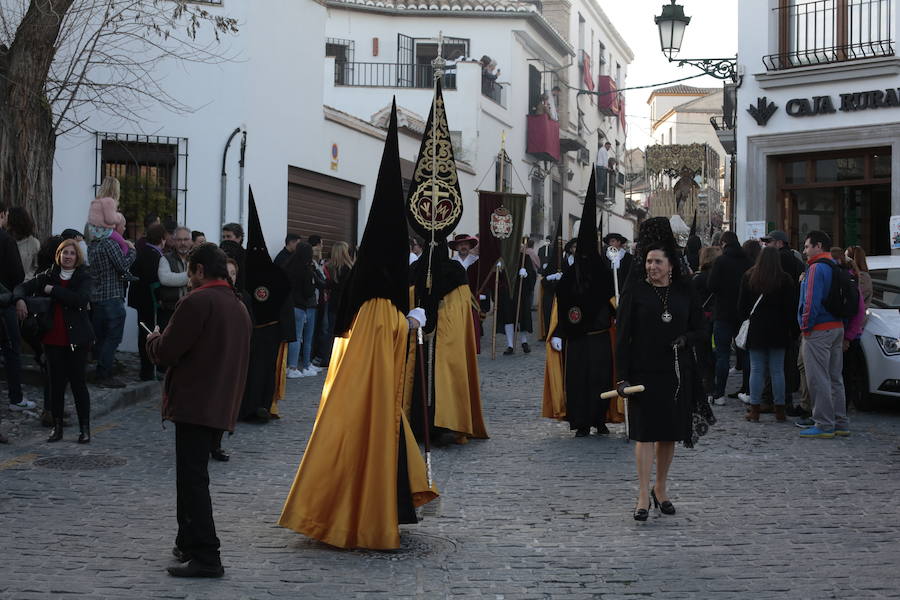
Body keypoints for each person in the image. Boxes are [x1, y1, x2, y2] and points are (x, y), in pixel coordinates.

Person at [279, 104, 437, 549]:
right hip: (374, 407)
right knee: (369, 446)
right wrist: (407, 323)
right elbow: (384, 363)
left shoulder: (372, 305)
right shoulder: (379, 311)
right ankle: (363, 518)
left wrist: (407, 319)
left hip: (373, 403)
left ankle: (390, 505)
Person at [146, 243, 251, 578]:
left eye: (191, 272)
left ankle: (207, 554)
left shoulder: (198, 301)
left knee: (193, 481)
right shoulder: (238, 306)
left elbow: (166, 352)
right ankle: (189, 542)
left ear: (200, 270)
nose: (189, 279)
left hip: (195, 402)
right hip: (220, 402)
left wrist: (154, 339)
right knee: (192, 478)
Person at [615, 239, 708, 521]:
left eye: (658, 262)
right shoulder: (636, 292)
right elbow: (622, 336)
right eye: (648, 261)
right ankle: (643, 494)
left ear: (671, 266)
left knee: (668, 433)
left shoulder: (684, 291)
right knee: (644, 434)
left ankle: (661, 488)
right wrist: (621, 377)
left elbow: (701, 329)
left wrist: (686, 338)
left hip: (676, 372)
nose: (652, 266)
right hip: (642, 372)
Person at [549, 173, 616, 437]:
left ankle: (599, 420)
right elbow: (560, 305)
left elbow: (612, 301)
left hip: (599, 338)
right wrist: (558, 332)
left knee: (599, 380)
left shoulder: (603, 273)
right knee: (577, 381)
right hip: (577, 338)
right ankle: (581, 422)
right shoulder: (569, 276)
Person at [14, 239, 94, 442]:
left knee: (78, 384)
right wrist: (20, 300)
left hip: (76, 340)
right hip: (52, 339)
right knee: (55, 385)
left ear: (77, 257)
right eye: (64, 253)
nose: (68, 256)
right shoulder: (49, 275)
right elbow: (21, 288)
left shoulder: (83, 277)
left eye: (72, 253)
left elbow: (80, 300)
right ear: (59, 255)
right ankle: (57, 426)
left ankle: (84, 428)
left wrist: (54, 290)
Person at [237, 193, 292, 423]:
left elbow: (283, 300)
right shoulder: (245, 271)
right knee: (256, 370)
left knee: (262, 371)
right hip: (258, 330)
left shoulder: (269, 273)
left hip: (266, 331)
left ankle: (260, 405)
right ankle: (254, 406)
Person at [736, 247, 799, 422]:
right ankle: (779, 409)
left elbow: (741, 307)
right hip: (779, 330)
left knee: (756, 369)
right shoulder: (785, 279)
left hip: (757, 330)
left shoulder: (750, 277)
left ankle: (754, 409)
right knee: (777, 370)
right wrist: (793, 331)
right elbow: (790, 309)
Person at [797, 230, 848, 439]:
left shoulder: (816, 269)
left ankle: (824, 423)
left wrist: (805, 327)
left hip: (819, 329)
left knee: (818, 378)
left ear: (818, 246)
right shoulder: (835, 266)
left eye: (807, 246)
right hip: (837, 326)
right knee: (835, 378)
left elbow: (810, 301)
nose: (805, 250)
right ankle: (840, 421)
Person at [88, 210, 136, 388]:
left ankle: (101, 371)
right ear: (115, 226)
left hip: (97, 297)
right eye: (123, 225)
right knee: (113, 337)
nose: (124, 229)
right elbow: (122, 266)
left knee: (101, 337)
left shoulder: (93, 243)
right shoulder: (110, 243)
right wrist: (132, 252)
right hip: (112, 297)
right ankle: (104, 374)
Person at [707, 231, 752, 406]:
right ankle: (747, 390)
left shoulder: (721, 261)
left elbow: (712, 285)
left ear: (724, 243)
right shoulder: (748, 261)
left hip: (723, 313)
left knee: (722, 354)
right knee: (746, 353)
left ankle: (719, 394)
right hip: (743, 314)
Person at [0, 203, 30, 411]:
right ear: (2, 215)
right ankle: (16, 398)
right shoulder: (6, 240)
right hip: (5, 301)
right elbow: (17, 274)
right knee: (12, 349)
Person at [128, 223, 166, 381]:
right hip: (149, 302)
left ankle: (146, 370)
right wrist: (159, 299)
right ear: (162, 239)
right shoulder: (154, 255)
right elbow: (154, 282)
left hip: (139, 300)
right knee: (149, 334)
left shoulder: (142, 251)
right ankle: (147, 370)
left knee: (143, 333)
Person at [285, 242, 319, 378]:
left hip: (288, 305)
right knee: (298, 337)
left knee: (292, 337)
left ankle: (289, 366)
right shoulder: (306, 270)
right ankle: (293, 367)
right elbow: (308, 291)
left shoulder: (288, 265)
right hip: (300, 306)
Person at [319, 241, 354, 366]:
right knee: (343, 331)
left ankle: (327, 358)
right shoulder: (350, 268)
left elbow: (328, 285)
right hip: (345, 304)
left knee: (330, 331)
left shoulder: (331, 268)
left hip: (333, 304)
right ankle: (341, 358)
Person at [157, 226, 192, 331]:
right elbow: (165, 279)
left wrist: (181, 278)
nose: (183, 243)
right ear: (174, 241)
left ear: (191, 241)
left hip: (193, 308)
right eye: (179, 240)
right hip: (170, 309)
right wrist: (190, 276)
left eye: (186, 239)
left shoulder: (197, 258)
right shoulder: (165, 258)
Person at [87, 176, 129, 255]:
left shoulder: (97, 201)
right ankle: (122, 260)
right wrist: (119, 217)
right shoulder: (109, 202)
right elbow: (110, 220)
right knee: (124, 245)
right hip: (104, 232)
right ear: (115, 190)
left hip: (93, 231)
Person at [7, 206, 41, 280]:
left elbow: (36, 267)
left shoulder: (33, 243)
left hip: (23, 285)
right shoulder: (5, 240)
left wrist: (26, 280)